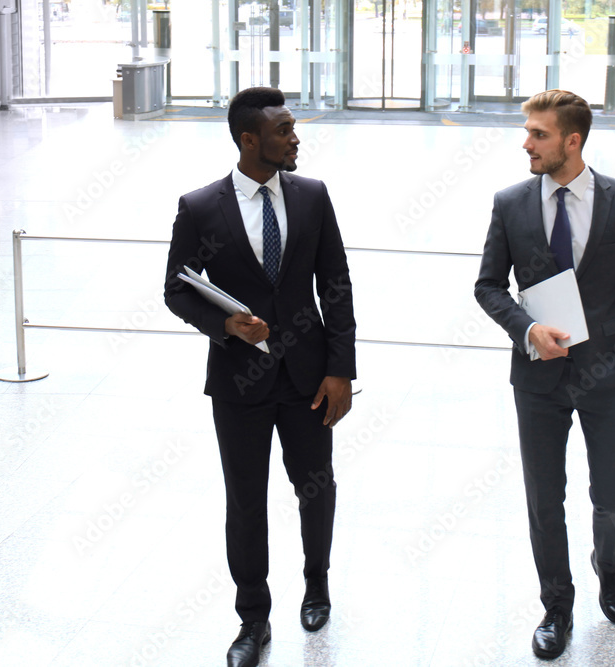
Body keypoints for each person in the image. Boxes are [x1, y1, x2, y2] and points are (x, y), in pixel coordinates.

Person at [163, 86, 356, 667]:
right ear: (250, 139)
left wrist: (342, 371)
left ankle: (317, 585)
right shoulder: (200, 208)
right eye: (284, 130)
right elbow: (176, 289)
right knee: (245, 501)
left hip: (308, 377)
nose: (295, 137)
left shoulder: (313, 196)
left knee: (315, 487)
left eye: (293, 128)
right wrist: (226, 327)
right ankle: (253, 618)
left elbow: (337, 286)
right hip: (238, 382)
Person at [474, 89, 615, 660]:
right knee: (543, 499)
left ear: (571, 141)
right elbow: (487, 286)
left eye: (538, 134)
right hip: (538, 379)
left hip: (610, 378)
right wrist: (527, 330)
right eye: (528, 131)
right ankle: (557, 605)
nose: (525, 142)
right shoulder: (511, 203)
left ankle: (610, 571)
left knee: (612, 496)